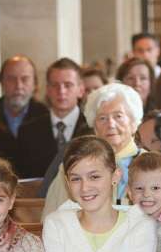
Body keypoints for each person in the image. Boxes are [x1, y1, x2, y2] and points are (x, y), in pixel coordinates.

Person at [43, 136, 156, 252]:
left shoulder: (140, 225)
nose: (85, 187)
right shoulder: (57, 224)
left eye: (94, 177)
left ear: (115, 176)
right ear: (67, 182)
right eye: (76, 179)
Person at [42, 83, 145, 218]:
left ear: (134, 123)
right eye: (102, 118)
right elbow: (51, 216)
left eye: (118, 116)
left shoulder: (151, 165)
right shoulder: (73, 166)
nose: (111, 124)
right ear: (94, 127)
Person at [15, 57, 90, 179]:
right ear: (48, 90)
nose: (61, 91)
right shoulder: (27, 131)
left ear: (81, 90)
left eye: (68, 85)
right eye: (55, 85)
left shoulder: (93, 127)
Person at [127, 151, 161, 252]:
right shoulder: (124, 223)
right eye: (139, 188)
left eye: (155, 188)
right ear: (129, 192)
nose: (146, 194)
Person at [0, 55, 49, 138]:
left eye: (25, 79)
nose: (18, 86)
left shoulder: (46, 115)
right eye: (11, 79)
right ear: (1, 83)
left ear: (35, 84)